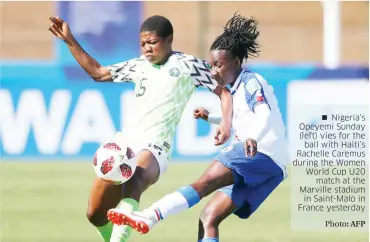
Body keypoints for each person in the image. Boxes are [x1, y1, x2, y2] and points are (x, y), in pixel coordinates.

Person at [48, 15, 233, 242]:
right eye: (143, 43)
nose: (147, 48)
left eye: (152, 42)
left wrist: (225, 122)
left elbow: (223, 91)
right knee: (95, 214)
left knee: (135, 179)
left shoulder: (188, 65)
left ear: (169, 40)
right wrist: (69, 40)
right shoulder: (138, 66)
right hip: (124, 144)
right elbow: (98, 73)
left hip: (156, 146)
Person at [106, 13, 288, 242]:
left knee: (202, 184)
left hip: (261, 152)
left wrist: (252, 136)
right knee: (209, 216)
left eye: (218, 65)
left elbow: (263, 113)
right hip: (273, 165)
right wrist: (212, 118)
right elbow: (242, 119)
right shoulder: (235, 89)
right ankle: (150, 216)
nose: (213, 72)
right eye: (211, 65)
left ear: (236, 62)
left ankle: (150, 216)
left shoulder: (251, 81)